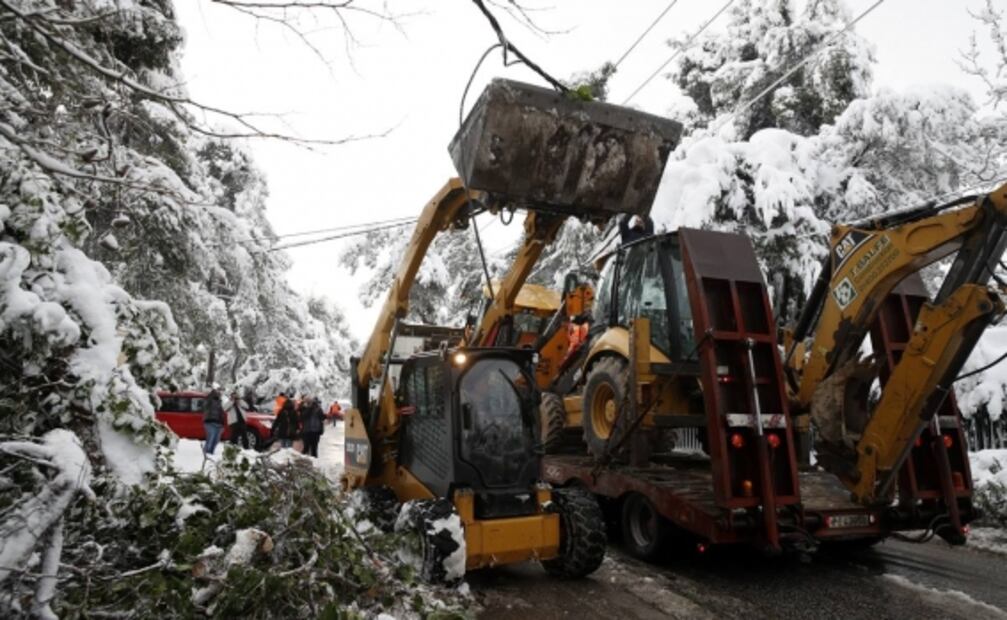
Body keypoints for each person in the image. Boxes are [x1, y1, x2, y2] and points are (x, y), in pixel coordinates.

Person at [202, 383, 225, 455]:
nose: (220, 393)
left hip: (218, 423)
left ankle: (211, 452)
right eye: (219, 391)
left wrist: (222, 423)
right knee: (212, 436)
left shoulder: (219, 401)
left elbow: (221, 413)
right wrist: (213, 392)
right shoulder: (210, 399)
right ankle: (207, 452)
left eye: (221, 391)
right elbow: (206, 404)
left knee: (217, 439)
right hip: (209, 421)